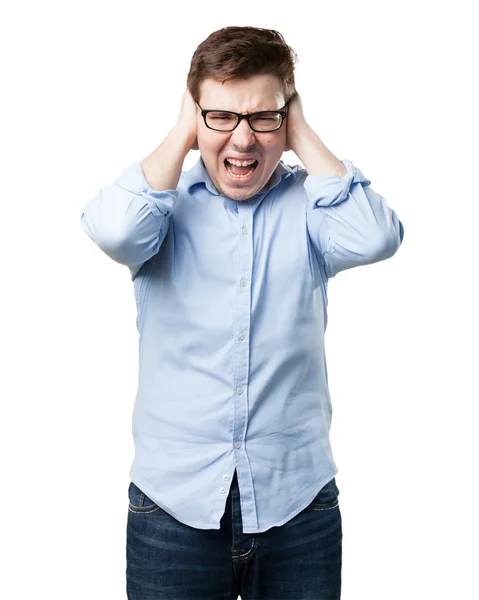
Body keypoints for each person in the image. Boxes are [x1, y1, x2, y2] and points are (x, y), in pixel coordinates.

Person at [80, 25, 404, 600]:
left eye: (263, 118)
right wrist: (185, 126)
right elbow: (112, 227)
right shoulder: (162, 208)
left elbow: (377, 236)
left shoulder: (311, 209)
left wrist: (297, 126)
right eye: (221, 117)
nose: (243, 140)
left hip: (296, 504)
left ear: (287, 116)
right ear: (195, 113)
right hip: (171, 508)